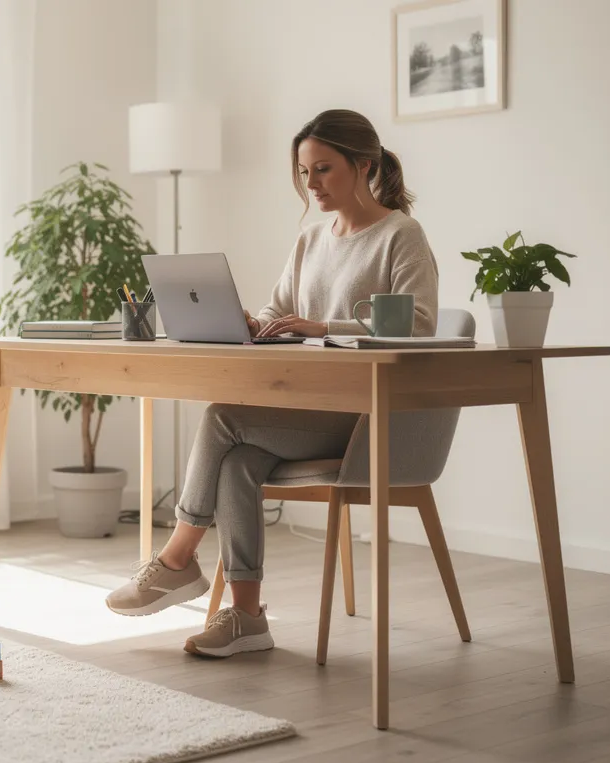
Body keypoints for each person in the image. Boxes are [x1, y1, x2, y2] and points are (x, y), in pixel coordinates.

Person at [104, 108, 439, 658]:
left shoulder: (400, 235)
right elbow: (278, 308)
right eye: (305, 172)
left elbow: (420, 325)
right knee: (237, 463)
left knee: (222, 417)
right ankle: (248, 618)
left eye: (324, 170)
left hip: (366, 418)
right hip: (309, 409)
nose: (312, 185)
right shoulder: (311, 239)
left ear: (365, 165)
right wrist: (255, 323)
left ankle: (177, 558)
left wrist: (324, 326)